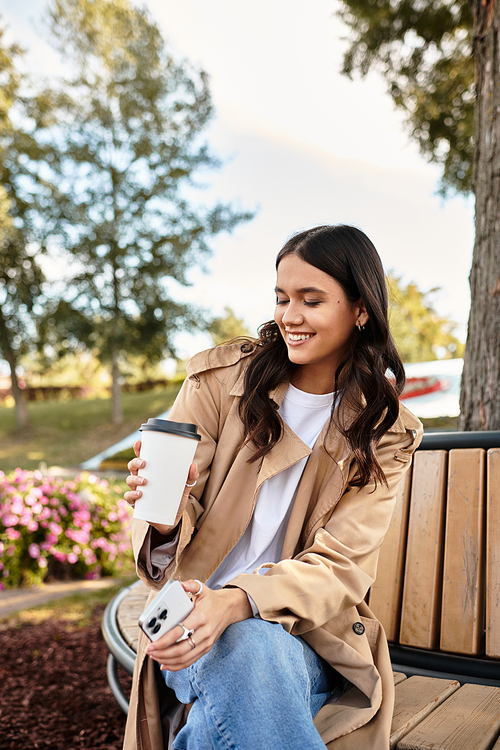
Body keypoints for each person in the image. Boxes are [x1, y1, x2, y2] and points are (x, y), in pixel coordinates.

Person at [123, 224, 423, 750]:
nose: (290, 315)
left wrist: (238, 600)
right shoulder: (221, 383)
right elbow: (160, 527)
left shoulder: (384, 430)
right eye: (282, 298)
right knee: (241, 658)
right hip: (186, 625)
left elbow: (341, 566)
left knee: (238, 670)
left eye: (312, 300)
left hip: (309, 638)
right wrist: (165, 516)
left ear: (360, 309)